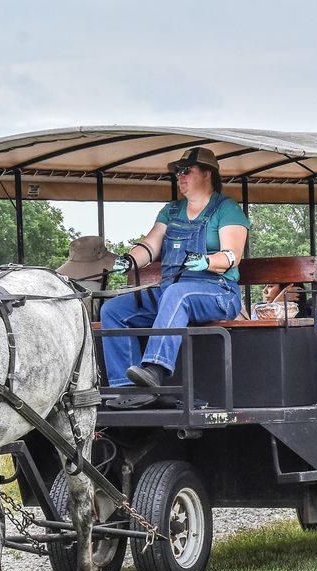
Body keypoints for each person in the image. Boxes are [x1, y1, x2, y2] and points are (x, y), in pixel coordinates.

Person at [99, 148, 249, 395]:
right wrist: (129, 260)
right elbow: (151, 244)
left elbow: (232, 254)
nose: (180, 176)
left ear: (207, 174)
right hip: (172, 293)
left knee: (178, 294)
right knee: (113, 310)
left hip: (219, 292)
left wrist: (207, 262)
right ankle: (125, 389)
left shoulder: (226, 209)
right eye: (178, 172)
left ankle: (155, 369)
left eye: (187, 170)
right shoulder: (171, 211)